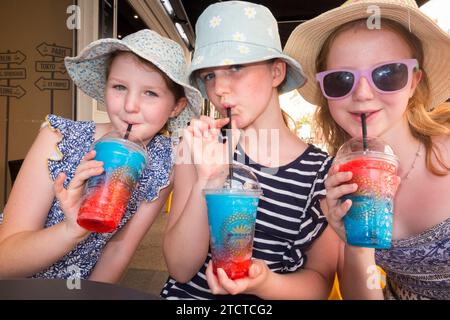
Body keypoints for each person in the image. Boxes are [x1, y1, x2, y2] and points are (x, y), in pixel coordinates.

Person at [161, 1, 339, 300]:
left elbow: (319, 281)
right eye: (209, 75)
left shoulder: (321, 173)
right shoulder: (197, 149)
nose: (219, 88)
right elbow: (180, 268)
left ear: (276, 72)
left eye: (236, 67)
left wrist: (264, 283)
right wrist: (208, 178)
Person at [0, 29, 202, 282]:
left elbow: (118, 251)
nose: (130, 105)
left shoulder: (163, 163)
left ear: (176, 106)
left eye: (150, 93)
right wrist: (70, 230)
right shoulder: (58, 139)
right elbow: (5, 261)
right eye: (119, 87)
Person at [284, 0, 450, 299]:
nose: (362, 94)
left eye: (388, 74)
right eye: (340, 80)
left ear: (414, 81)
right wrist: (355, 246)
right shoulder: (341, 178)